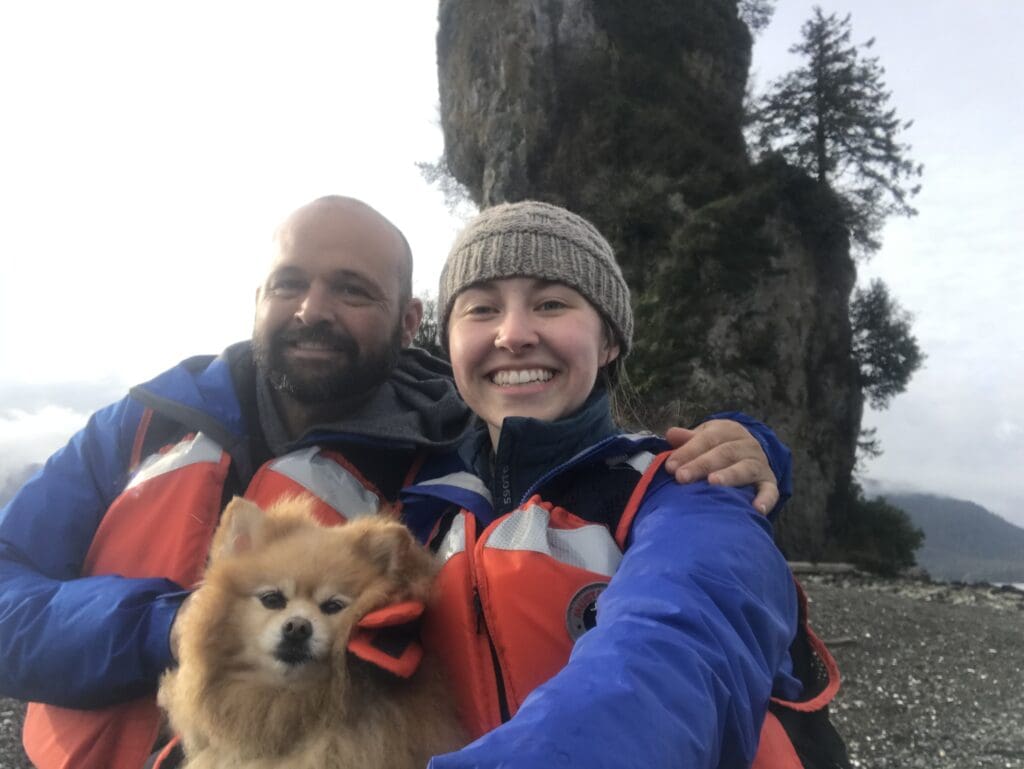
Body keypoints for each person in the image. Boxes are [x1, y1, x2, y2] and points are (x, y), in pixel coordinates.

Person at [0, 196, 791, 769]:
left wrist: (749, 451)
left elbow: (681, 641)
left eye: (352, 289)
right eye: (289, 282)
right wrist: (168, 626)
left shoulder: (433, 470)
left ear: (411, 323)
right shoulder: (142, 424)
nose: (313, 308)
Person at [397, 200, 843, 768]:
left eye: (551, 303)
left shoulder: (689, 491)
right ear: (448, 344)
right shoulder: (418, 508)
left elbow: (673, 656)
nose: (513, 334)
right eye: (481, 309)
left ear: (608, 342)